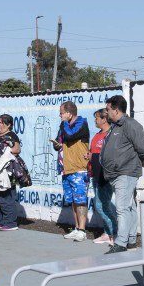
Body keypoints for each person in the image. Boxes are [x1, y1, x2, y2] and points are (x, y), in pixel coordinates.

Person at [100, 95, 144, 253]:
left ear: (115, 110)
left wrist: (139, 159)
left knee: (122, 208)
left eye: (108, 109)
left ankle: (120, 243)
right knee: (129, 207)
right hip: (116, 173)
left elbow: (143, 148)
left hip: (125, 172)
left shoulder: (130, 125)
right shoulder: (116, 126)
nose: (106, 113)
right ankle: (130, 240)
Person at [53, 100, 90, 241]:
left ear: (69, 113)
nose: (60, 116)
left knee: (80, 200)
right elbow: (60, 140)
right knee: (73, 200)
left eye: (62, 113)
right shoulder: (64, 125)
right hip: (66, 168)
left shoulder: (81, 123)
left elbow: (70, 135)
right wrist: (57, 144)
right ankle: (76, 228)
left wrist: (64, 124)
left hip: (79, 168)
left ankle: (82, 229)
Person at [0, 114, 22, 231]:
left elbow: (16, 149)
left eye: (2, 123)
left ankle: (11, 222)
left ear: (9, 125)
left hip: (7, 172)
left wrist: (4, 151)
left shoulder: (11, 135)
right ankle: (1, 220)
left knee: (6, 196)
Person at [88, 109, 117, 245]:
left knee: (101, 205)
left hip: (105, 175)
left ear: (104, 119)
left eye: (96, 118)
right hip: (95, 173)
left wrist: (94, 157)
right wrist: (90, 157)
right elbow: (94, 153)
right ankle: (107, 233)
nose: (95, 120)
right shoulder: (97, 135)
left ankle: (114, 234)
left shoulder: (110, 135)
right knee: (103, 204)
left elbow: (109, 156)